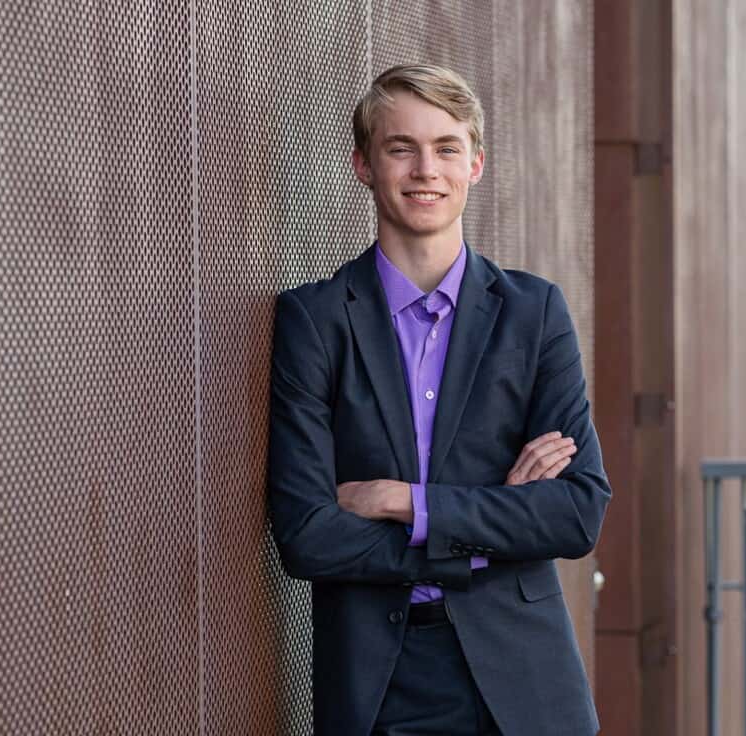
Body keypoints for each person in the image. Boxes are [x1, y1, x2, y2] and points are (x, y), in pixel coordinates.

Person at [266, 64, 608, 736]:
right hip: (382, 683)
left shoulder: (533, 313)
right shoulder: (316, 320)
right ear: (363, 165)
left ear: (475, 164)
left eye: (447, 148)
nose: (427, 169)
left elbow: (576, 512)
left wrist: (407, 502)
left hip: (527, 682)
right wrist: (488, 527)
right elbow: (308, 535)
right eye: (402, 149)